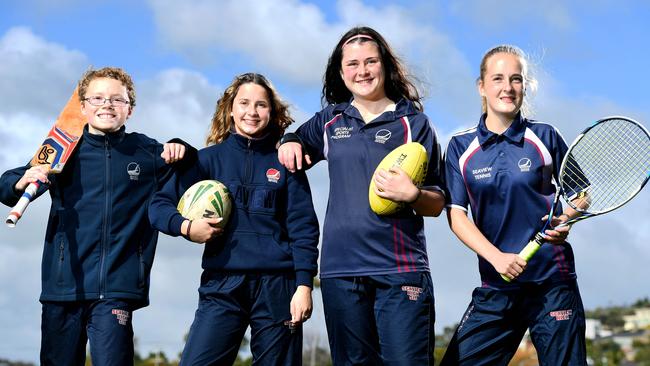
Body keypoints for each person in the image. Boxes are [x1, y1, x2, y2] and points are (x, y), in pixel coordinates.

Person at [0, 67, 193, 365]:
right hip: (62, 287)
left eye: (117, 99)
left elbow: (194, 165)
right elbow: (6, 186)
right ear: (82, 107)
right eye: (98, 98)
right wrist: (22, 179)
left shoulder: (147, 154)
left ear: (130, 110)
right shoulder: (61, 152)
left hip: (117, 288)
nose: (107, 104)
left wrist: (182, 147)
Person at [277, 26, 446, 365]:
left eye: (370, 61)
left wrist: (412, 194)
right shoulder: (330, 120)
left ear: (384, 65)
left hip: (400, 270)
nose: (363, 71)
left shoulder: (414, 123)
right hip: (341, 272)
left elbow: (438, 202)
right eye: (352, 64)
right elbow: (295, 139)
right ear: (341, 72)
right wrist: (290, 141)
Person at [149, 72, 319, 365]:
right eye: (244, 103)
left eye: (261, 105)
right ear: (230, 108)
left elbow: (304, 229)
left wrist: (304, 285)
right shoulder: (206, 160)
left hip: (278, 286)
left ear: (272, 112)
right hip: (222, 283)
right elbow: (159, 205)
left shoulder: (286, 162)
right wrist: (187, 227)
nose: (251, 112)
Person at [440, 45, 586, 365]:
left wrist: (566, 221)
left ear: (524, 86)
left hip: (552, 283)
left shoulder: (545, 136)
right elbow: (456, 215)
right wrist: (497, 258)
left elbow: (580, 194)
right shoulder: (460, 147)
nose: (508, 87)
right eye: (498, 78)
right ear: (482, 86)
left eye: (516, 79)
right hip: (497, 286)